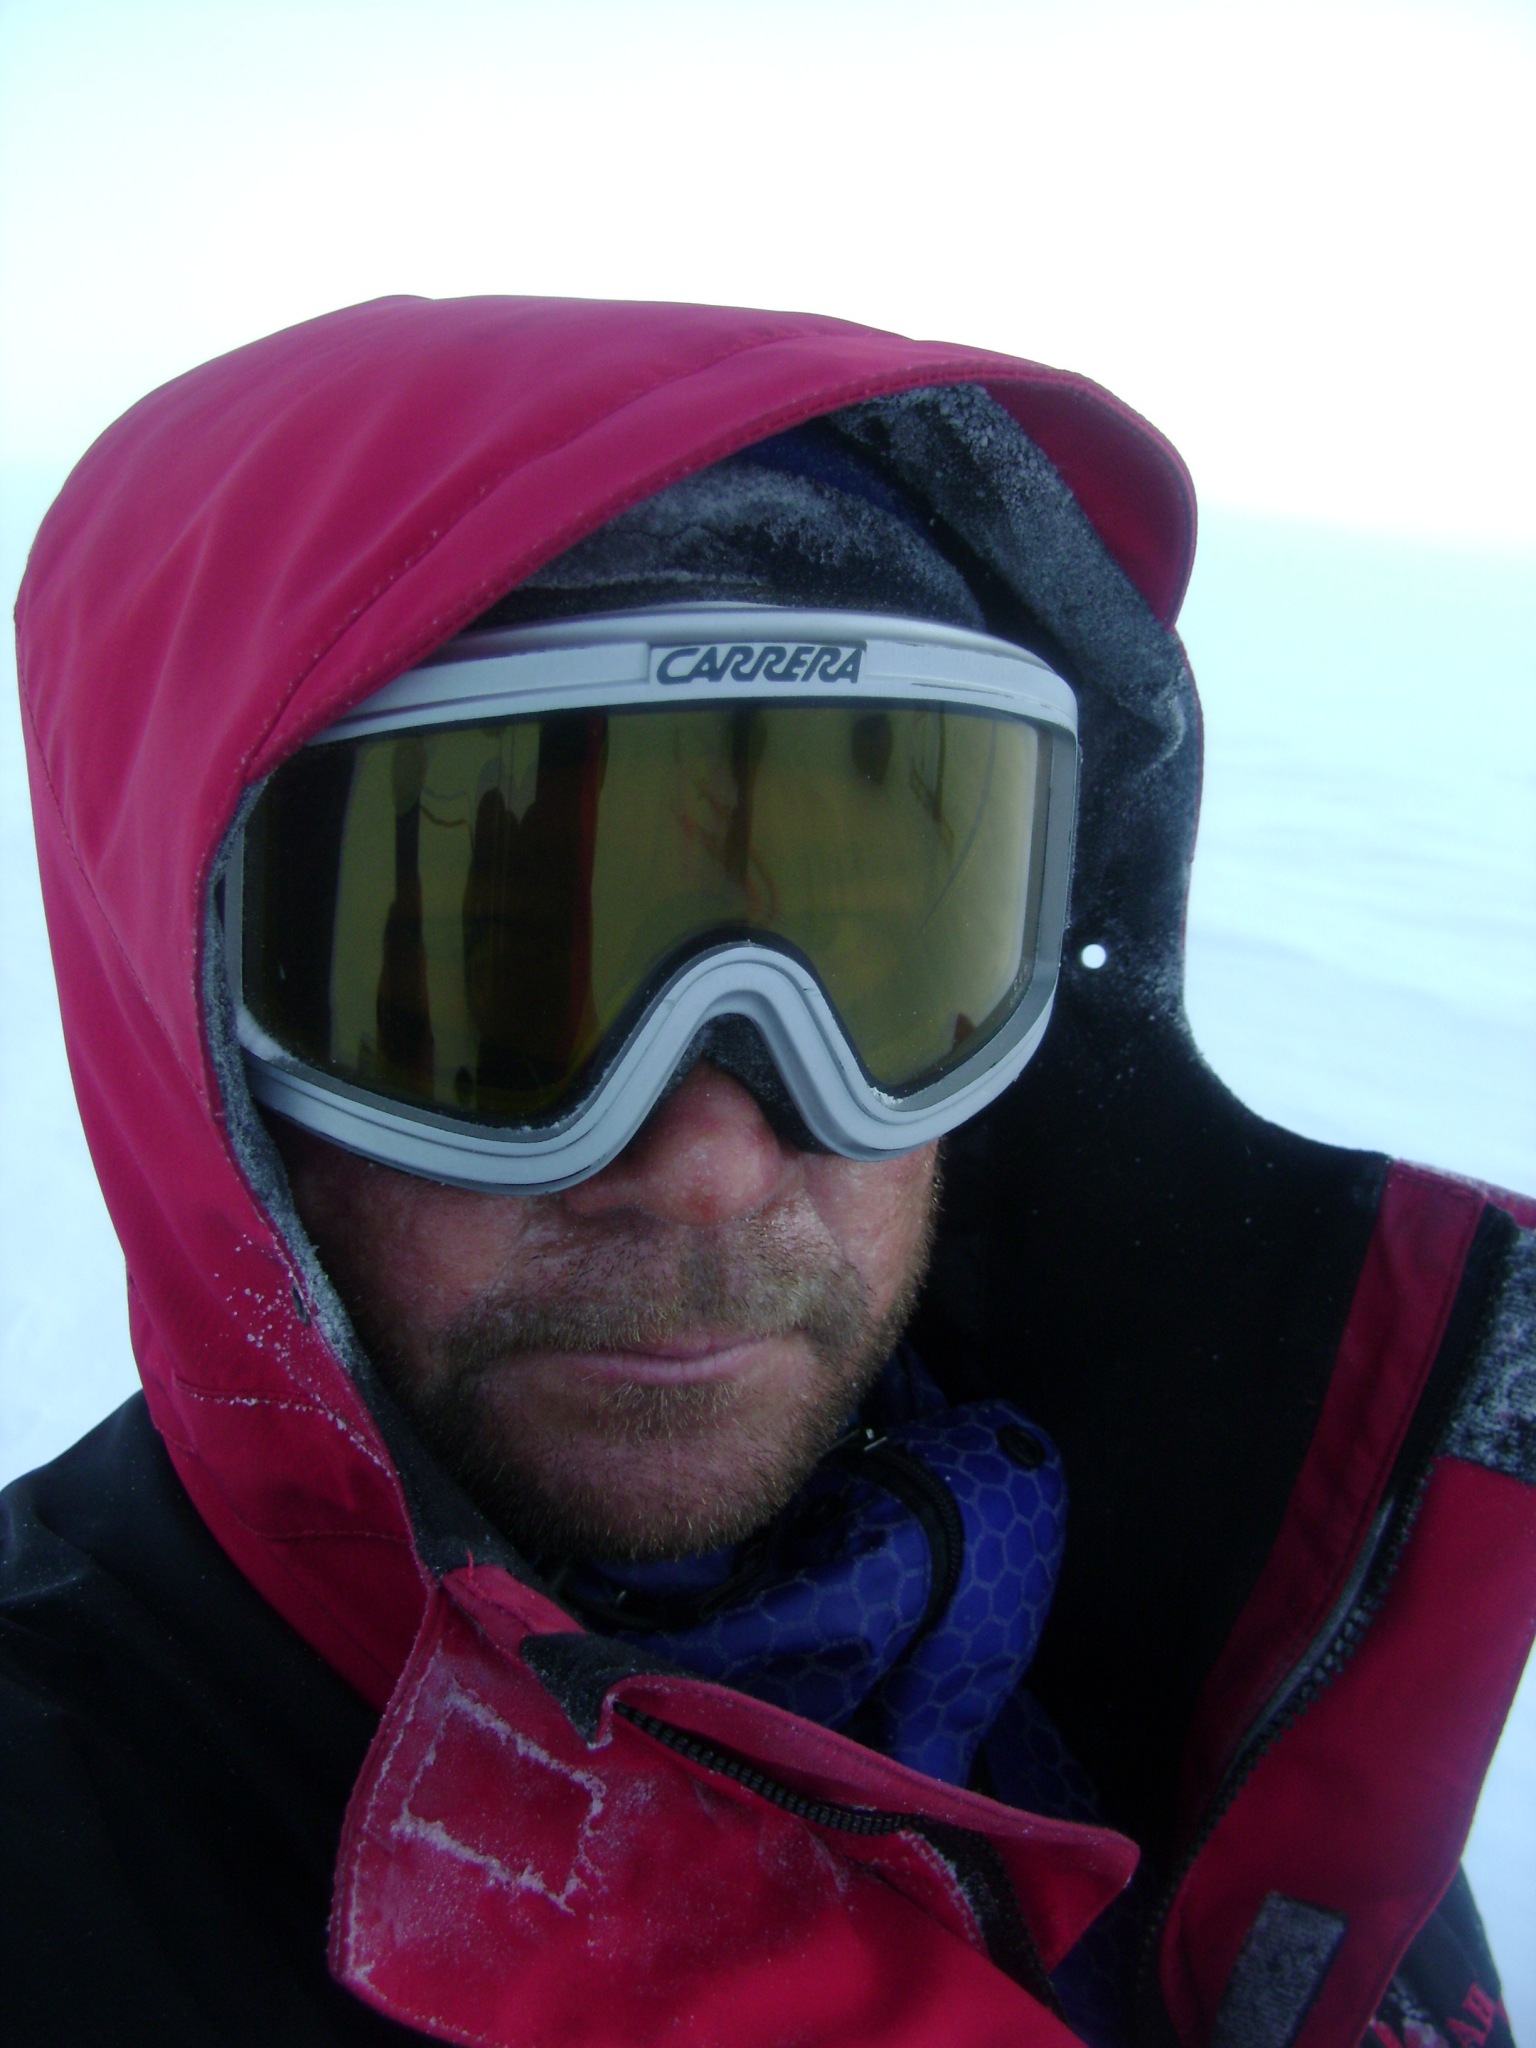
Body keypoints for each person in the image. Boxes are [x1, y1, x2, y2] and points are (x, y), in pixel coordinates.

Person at [3, 295, 1532, 2048]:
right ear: (195, 1011)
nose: (716, 1165)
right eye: (498, 984)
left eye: (875, 957)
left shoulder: (1242, 1684)